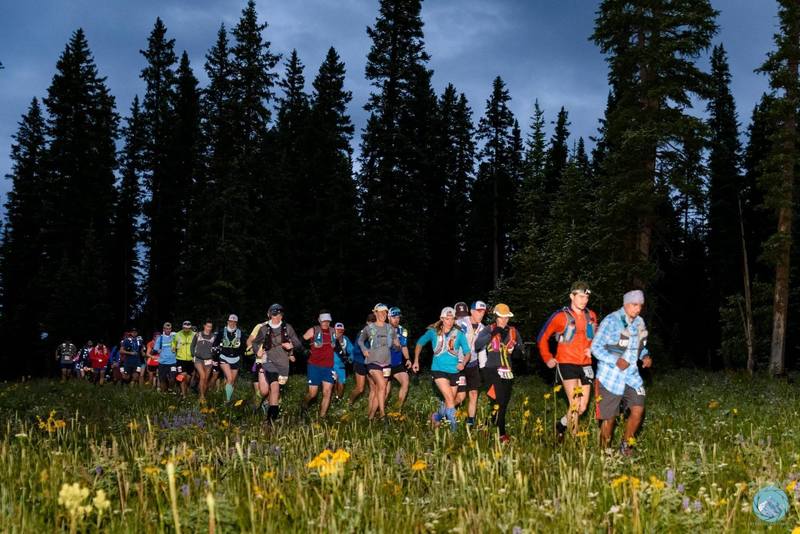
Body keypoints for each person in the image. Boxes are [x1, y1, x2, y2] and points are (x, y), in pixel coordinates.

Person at [591, 290, 652, 456]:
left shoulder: (640, 323)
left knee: (638, 409)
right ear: (625, 304)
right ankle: (605, 454)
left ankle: (626, 447)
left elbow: (642, 346)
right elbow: (595, 348)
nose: (638, 309)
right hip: (610, 377)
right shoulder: (611, 321)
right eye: (634, 305)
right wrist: (615, 360)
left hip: (631, 377)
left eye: (640, 305)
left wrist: (645, 356)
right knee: (609, 419)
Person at [537, 281, 599, 438]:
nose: (584, 300)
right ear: (572, 296)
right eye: (581, 296)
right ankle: (574, 443)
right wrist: (548, 357)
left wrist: (592, 348)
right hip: (566, 363)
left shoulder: (591, 315)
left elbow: (595, 338)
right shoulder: (560, 316)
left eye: (586, 297)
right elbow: (542, 337)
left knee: (583, 406)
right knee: (575, 404)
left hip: (586, 364)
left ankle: (561, 424)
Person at [413, 307, 471, 431]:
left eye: (452, 319)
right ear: (442, 318)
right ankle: (454, 432)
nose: (449, 321)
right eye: (447, 319)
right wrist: (416, 360)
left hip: (454, 371)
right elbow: (420, 343)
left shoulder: (459, 334)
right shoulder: (433, 332)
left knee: (451, 401)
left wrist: (464, 363)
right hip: (438, 370)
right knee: (450, 400)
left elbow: (467, 352)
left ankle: (436, 416)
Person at [474, 303, 523, 443]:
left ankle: (487, 425)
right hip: (491, 371)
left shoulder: (513, 331)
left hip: (507, 371)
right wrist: (492, 334)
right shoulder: (489, 329)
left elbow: (521, 351)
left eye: (506, 317)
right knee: (499, 401)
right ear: (496, 317)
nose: (504, 320)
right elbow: (477, 346)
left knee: (502, 404)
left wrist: (516, 352)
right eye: (501, 317)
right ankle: (501, 434)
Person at [252, 304, 303, 422]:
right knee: (274, 388)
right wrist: (257, 351)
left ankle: (267, 409)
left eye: (278, 315)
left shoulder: (287, 328)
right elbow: (255, 343)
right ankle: (270, 421)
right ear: (269, 315)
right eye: (273, 315)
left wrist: (292, 345)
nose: (276, 318)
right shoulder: (264, 329)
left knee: (274, 392)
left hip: (283, 364)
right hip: (268, 361)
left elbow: (299, 345)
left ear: (282, 316)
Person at [358, 304, 399, 420]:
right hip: (372, 361)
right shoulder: (369, 328)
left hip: (386, 362)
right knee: (381, 386)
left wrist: (397, 346)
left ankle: (370, 417)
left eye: (385, 313)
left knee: (381, 389)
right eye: (380, 312)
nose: (383, 315)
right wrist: (364, 349)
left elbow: (396, 342)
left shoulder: (390, 328)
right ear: (375, 313)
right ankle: (382, 414)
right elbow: (360, 341)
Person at [455, 301, 488, 428]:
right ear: (472, 311)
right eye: (479, 311)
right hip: (458, 364)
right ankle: (442, 414)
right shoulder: (460, 323)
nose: (481, 314)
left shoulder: (483, 329)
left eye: (483, 312)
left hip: (473, 364)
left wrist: (484, 369)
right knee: (460, 396)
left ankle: (470, 423)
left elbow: (482, 350)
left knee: (474, 394)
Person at [301, 311, 337, 418]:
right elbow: (299, 341)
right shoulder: (313, 330)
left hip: (328, 367)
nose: (325, 323)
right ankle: (304, 405)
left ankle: (322, 417)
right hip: (314, 366)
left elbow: (337, 346)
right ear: (319, 320)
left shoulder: (333, 331)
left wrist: (344, 356)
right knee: (313, 394)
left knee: (327, 392)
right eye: (323, 321)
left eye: (327, 321)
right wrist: (304, 351)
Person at [213, 314, 246, 402]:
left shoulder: (241, 333)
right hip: (224, 357)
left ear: (236, 323)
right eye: (231, 321)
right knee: (230, 378)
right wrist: (216, 354)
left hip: (236, 359)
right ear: (228, 322)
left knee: (231, 381)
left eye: (234, 322)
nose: (232, 323)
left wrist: (241, 353)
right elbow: (215, 344)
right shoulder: (222, 332)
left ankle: (226, 397)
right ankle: (227, 401)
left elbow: (244, 346)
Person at [385, 307, 412, 409]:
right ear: (388, 317)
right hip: (385, 364)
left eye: (398, 317)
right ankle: (380, 413)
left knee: (405, 382)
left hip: (397, 364)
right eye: (394, 317)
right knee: (385, 392)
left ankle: (397, 409)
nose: (396, 319)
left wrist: (408, 359)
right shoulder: (383, 328)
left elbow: (404, 346)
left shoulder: (403, 330)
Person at [348, 313, 374, 405]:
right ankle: (349, 402)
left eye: (374, 323)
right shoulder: (362, 333)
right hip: (360, 362)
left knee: (373, 387)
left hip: (370, 363)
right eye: (371, 322)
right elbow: (358, 349)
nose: (372, 325)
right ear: (367, 322)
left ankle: (371, 409)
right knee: (360, 388)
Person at [192, 319, 216, 402]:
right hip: (198, 359)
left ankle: (202, 395)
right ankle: (202, 397)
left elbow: (216, 348)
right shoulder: (198, 335)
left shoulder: (214, 337)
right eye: (208, 326)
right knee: (202, 376)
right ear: (204, 326)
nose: (209, 328)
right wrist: (193, 355)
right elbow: (192, 346)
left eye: (211, 327)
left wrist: (214, 356)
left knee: (205, 379)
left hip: (208, 360)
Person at [174, 321, 197, 396]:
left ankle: (183, 389)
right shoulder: (177, 334)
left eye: (188, 328)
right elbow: (173, 343)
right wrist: (173, 347)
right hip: (180, 359)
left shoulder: (194, 335)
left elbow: (197, 346)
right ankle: (184, 396)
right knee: (182, 376)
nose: (186, 329)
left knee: (188, 378)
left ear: (190, 328)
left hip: (191, 359)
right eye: (185, 328)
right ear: (182, 327)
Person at [332, 323, 353, 401]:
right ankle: (334, 397)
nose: (339, 332)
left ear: (343, 331)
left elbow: (352, 350)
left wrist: (351, 358)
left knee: (342, 383)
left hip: (341, 364)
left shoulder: (345, 339)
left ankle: (338, 399)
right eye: (337, 330)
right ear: (334, 330)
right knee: (334, 381)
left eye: (341, 330)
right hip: (331, 364)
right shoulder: (330, 338)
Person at [154, 323, 178, 393]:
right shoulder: (160, 338)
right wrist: (158, 350)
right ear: (163, 329)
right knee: (162, 379)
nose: (168, 330)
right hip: (162, 362)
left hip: (173, 362)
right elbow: (156, 349)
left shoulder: (174, 336)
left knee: (172, 378)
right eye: (166, 329)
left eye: (169, 329)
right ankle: (164, 393)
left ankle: (170, 390)